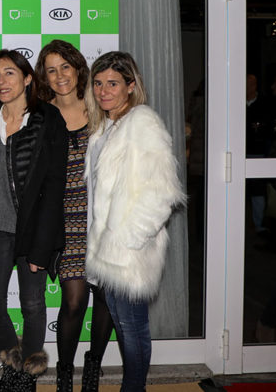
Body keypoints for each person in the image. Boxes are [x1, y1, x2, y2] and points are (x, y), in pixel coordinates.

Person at [0, 49, 68, 391]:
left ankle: (25, 380)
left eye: (9, 73)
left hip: (33, 230)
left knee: (33, 305)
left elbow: (54, 186)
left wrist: (43, 244)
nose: (1, 81)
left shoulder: (48, 118)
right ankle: (14, 367)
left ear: (27, 78)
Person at [84, 51, 185, 392]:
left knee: (132, 329)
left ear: (130, 86)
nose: (103, 91)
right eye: (98, 83)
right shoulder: (106, 126)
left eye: (113, 83)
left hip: (127, 251)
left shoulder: (142, 122)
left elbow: (163, 193)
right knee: (124, 326)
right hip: (107, 250)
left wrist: (128, 240)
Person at [33, 40, 114, 392]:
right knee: (74, 300)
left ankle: (93, 367)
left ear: (78, 68)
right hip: (64, 223)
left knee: (106, 298)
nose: (60, 75)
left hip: (104, 218)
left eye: (65, 67)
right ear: (44, 77)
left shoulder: (100, 107)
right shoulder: (40, 115)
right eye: (51, 70)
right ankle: (65, 373)